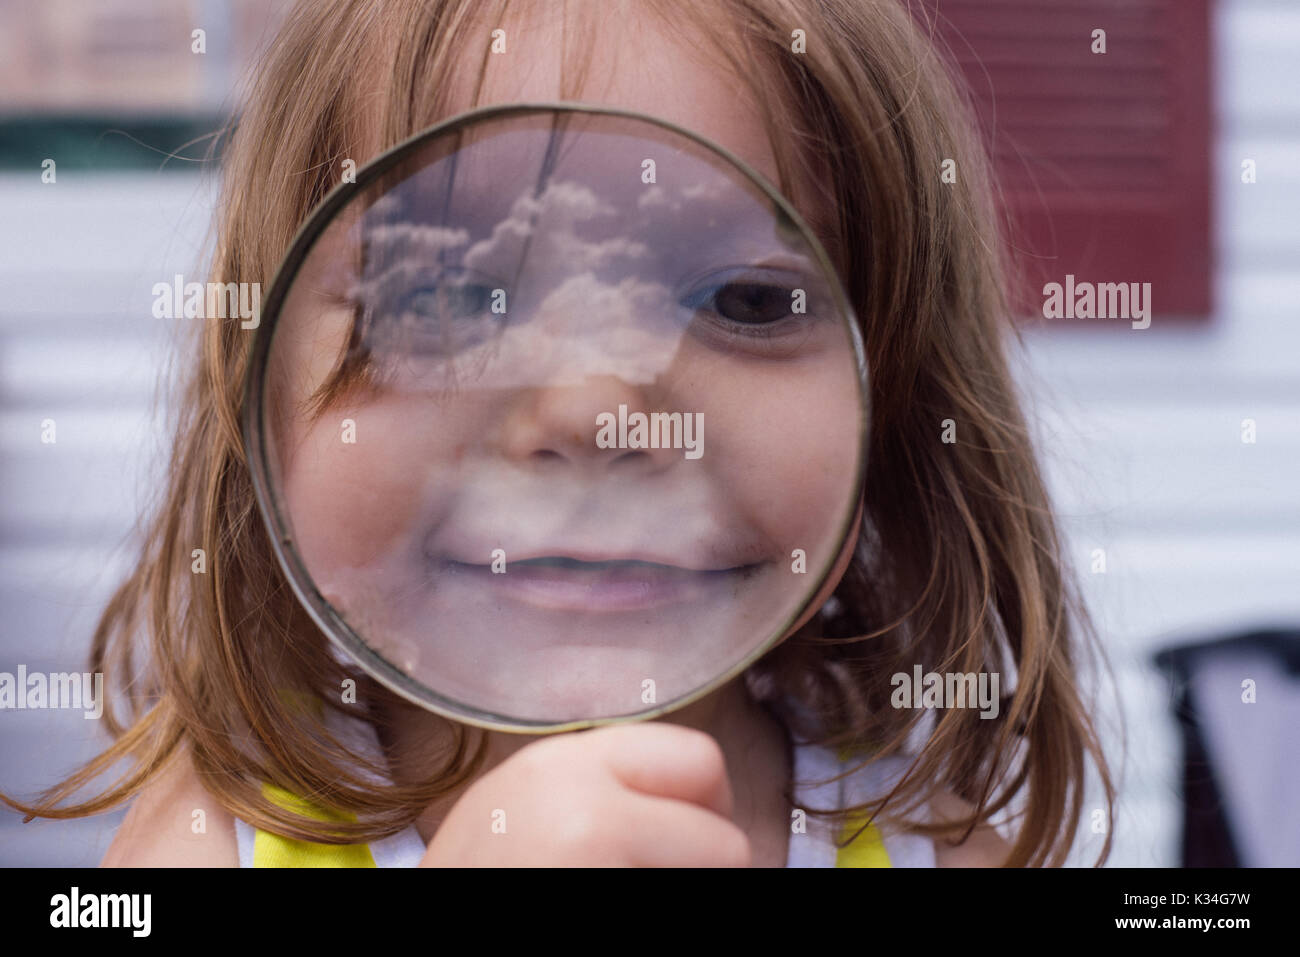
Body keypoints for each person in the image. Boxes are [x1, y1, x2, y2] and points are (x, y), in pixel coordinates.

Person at [4, 0, 1114, 867]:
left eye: (746, 300)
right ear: (260, 393)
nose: (596, 412)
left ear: (903, 404)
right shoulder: (215, 840)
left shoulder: (933, 841)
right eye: (442, 293)